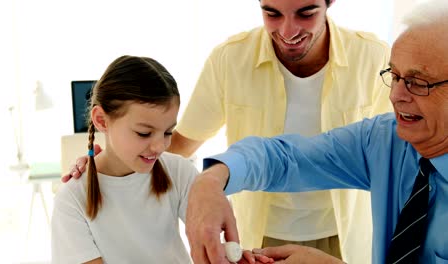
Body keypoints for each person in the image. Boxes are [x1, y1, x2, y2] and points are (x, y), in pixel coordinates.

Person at [62, 1, 391, 262]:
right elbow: (178, 143)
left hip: (345, 237)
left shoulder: (374, 57)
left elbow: (395, 152)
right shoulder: (230, 59)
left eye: (305, 13)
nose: (288, 30)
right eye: (271, 13)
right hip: (260, 235)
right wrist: (104, 161)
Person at [184, 0, 448, 262]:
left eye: (416, 82)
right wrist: (211, 180)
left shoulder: (367, 55)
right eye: (394, 76)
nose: (395, 95)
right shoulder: (383, 141)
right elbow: (286, 158)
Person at [52, 55, 197, 263]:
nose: (160, 146)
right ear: (102, 120)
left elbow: (211, 247)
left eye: (167, 132)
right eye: (144, 133)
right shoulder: (72, 199)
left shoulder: (180, 172)